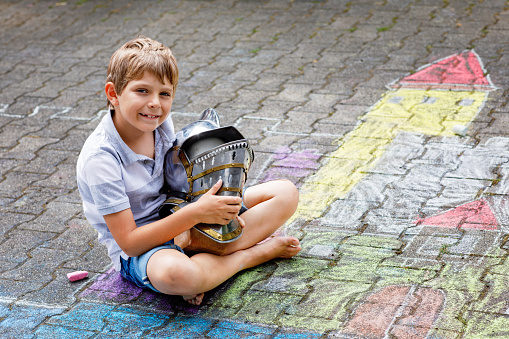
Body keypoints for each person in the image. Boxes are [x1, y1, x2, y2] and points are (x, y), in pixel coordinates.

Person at [76, 36, 301, 305]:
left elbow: (180, 183)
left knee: (285, 193)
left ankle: (208, 259)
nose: (155, 104)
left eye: (164, 93)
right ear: (113, 94)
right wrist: (198, 213)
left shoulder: (158, 123)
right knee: (179, 274)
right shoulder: (100, 159)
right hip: (145, 249)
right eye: (142, 91)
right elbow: (131, 243)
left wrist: (220, 210)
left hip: (182, 214)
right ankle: (249, 256)